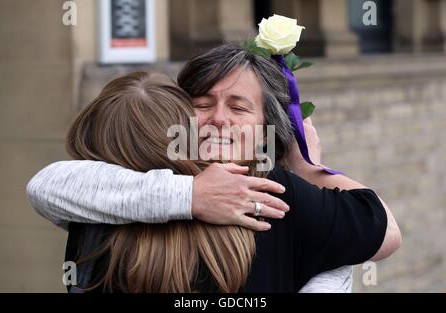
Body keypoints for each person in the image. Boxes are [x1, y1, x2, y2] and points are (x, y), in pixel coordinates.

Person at [27, 44, 401, 292]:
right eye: (202, 103)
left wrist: (306, 167)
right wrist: (191, 194)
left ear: (266, 133)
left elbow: (384, 232)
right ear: (176, 113)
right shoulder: (123, 188)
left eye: (239, 108)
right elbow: (46, 186)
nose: (219, 119)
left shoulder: (279, 196)